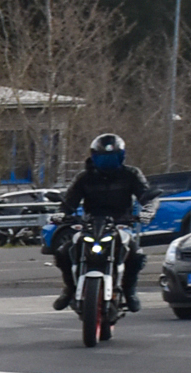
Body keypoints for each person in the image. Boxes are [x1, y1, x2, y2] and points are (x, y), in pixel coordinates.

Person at [51, 132, 159, 312]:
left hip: (121, 223)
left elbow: (147, 195)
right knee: (64, 251)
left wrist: (148, 211)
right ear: (94, 157)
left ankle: (129, 290)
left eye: (112, 157)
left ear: (121, 157)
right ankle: (69, 288)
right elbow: (68, 202)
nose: (107, 162)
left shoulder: (131, 174)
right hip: (91, 224)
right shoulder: (84, 177)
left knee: (136, 253)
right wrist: (60, 214)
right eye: (103, 158)